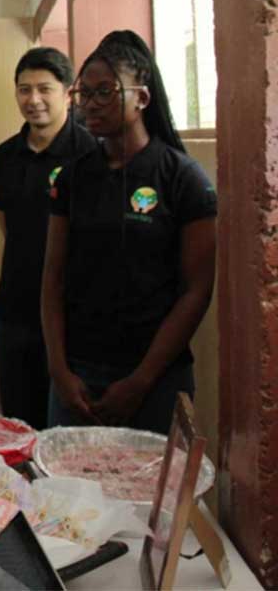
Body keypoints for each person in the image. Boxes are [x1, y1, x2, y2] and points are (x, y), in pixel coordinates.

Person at [42, 30, 217, 434]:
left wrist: (141, 381)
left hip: (155, 378)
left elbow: (197, 290)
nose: (91, 105)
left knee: (154, 494)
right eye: (83, 94)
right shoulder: (72, 178)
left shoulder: (183, 179)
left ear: (142, 98)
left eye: (105, 91)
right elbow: (52, 277)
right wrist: (59, 371)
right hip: (79, 376)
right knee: (68, 493)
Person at [0, 48, 96, 429]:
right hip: (15, 310)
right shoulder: (3, 157)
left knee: (70, 424)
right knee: (19, 423)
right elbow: (10, 229)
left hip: (75, 314)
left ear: (67, 92)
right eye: (23, 89)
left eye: (44, 89)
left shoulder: (91, 154)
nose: (33, 100)